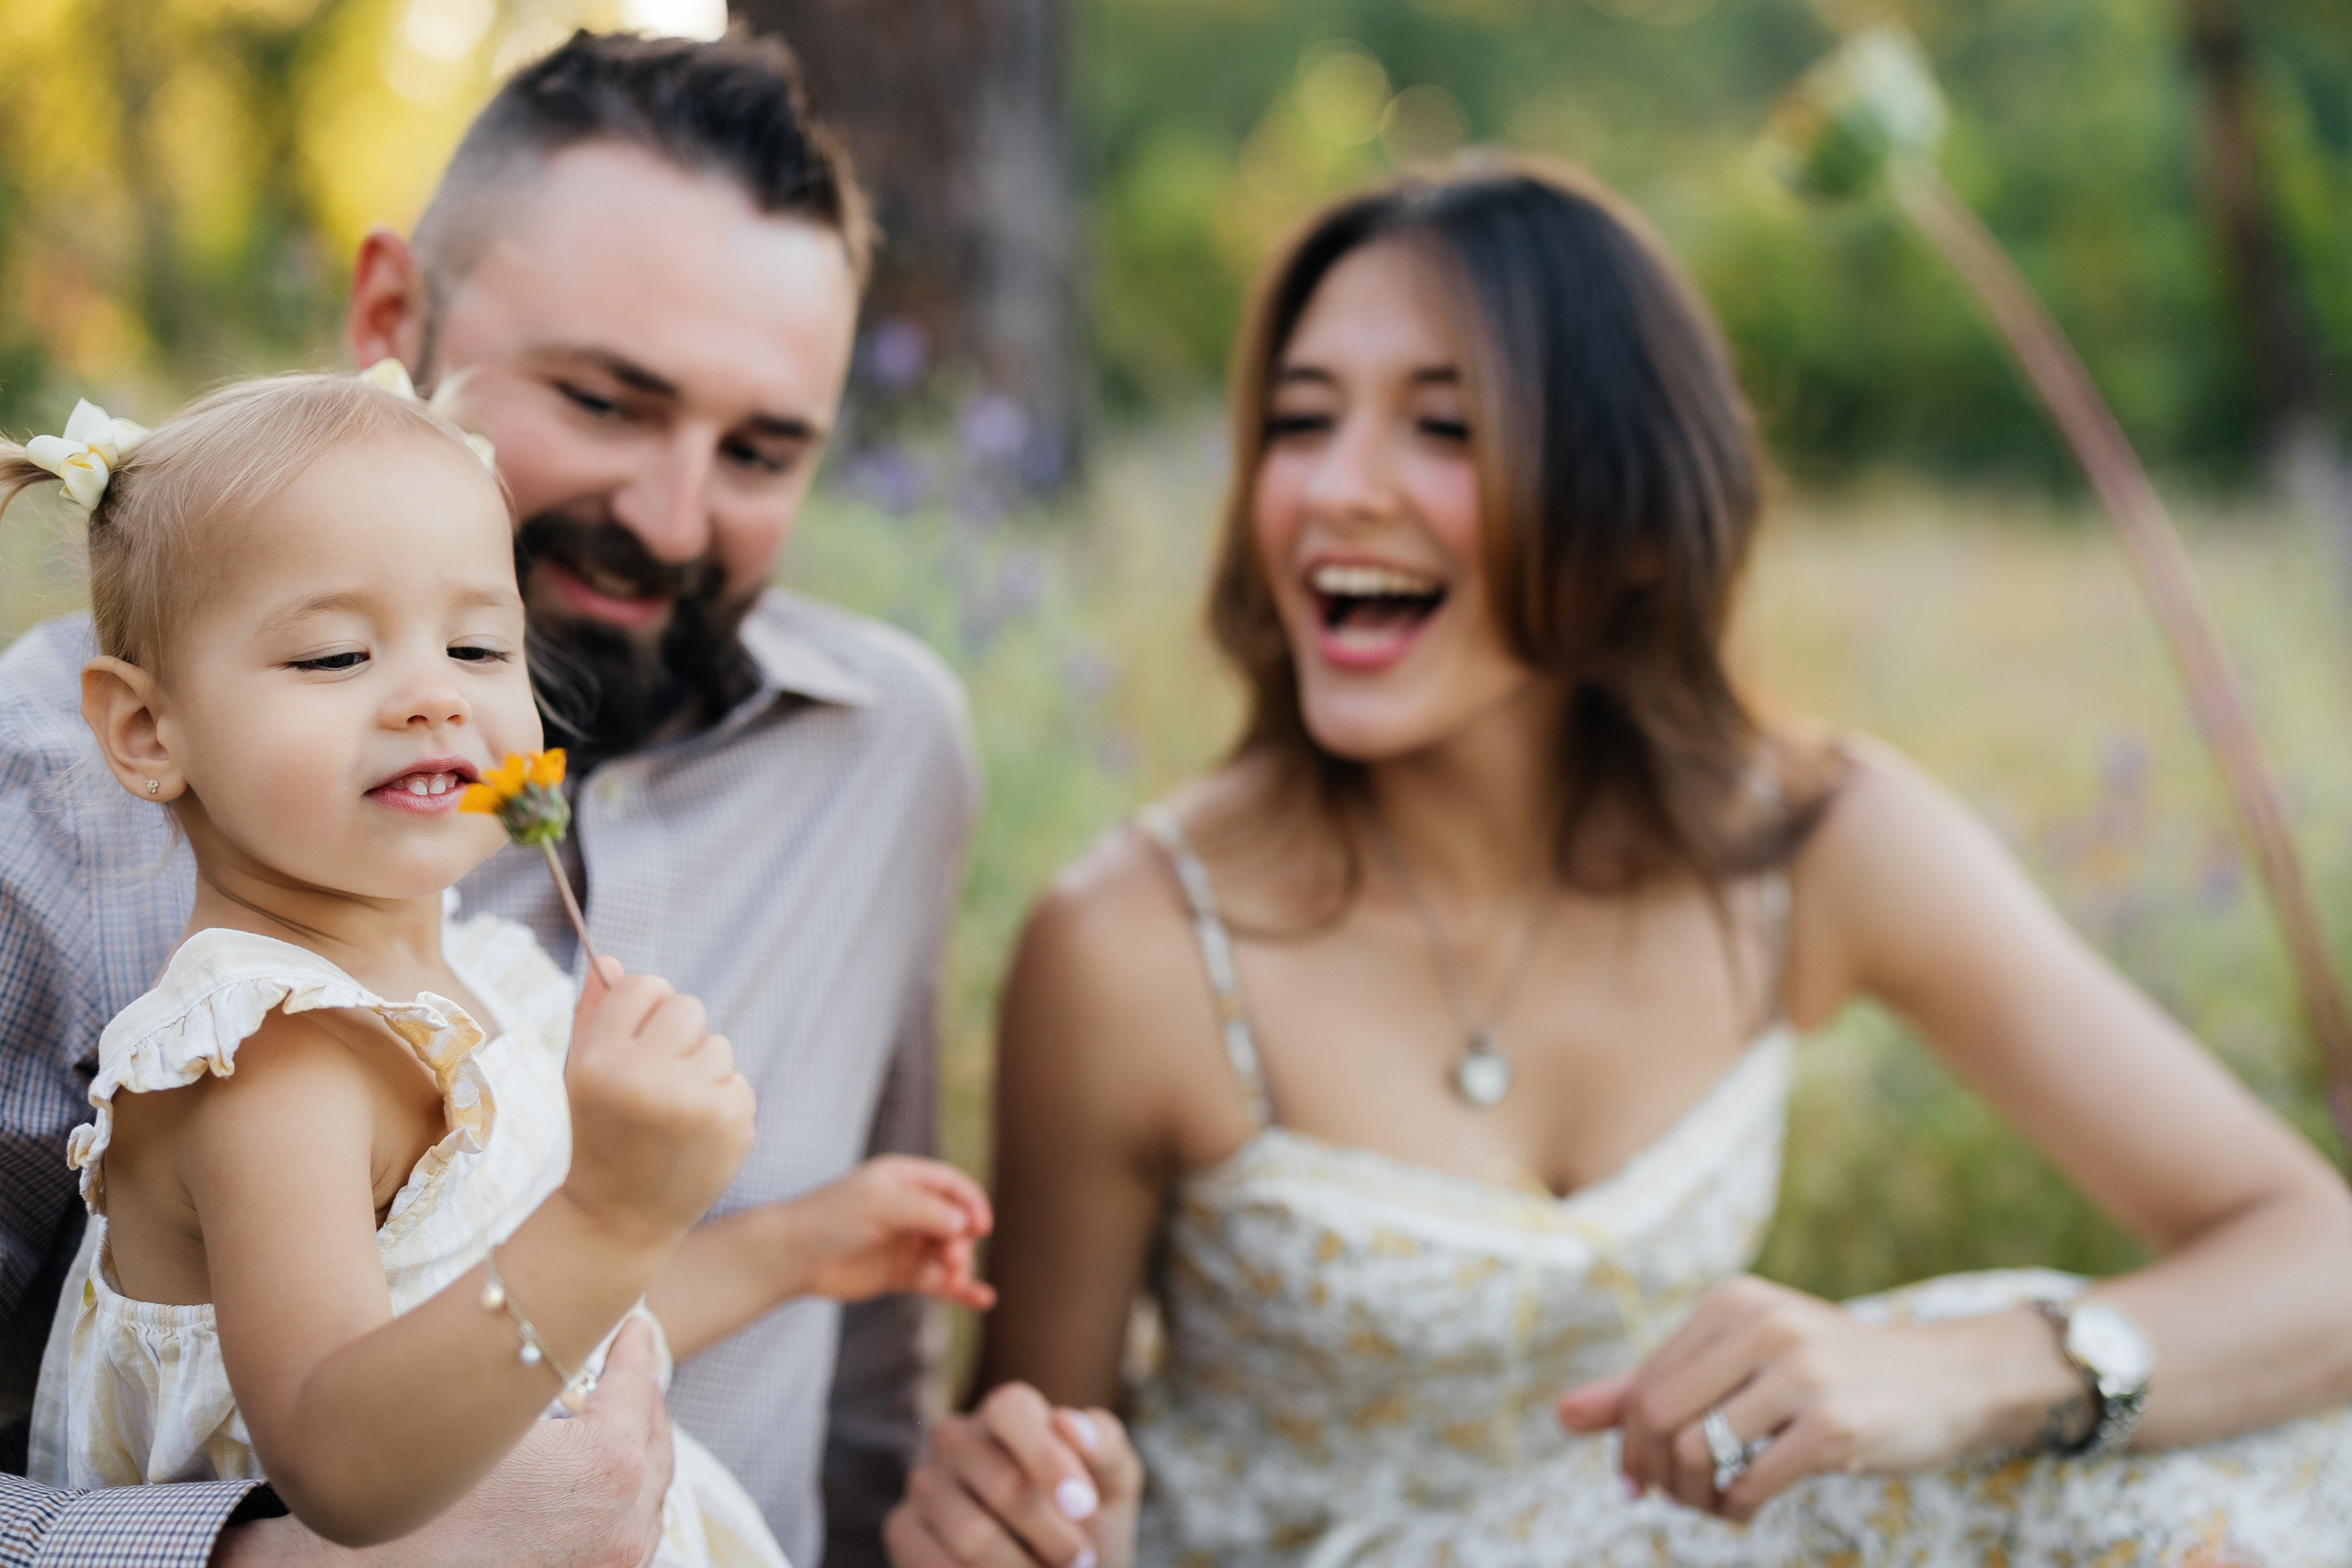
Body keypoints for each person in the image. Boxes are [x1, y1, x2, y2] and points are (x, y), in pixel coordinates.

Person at [885, 157, 2352, 1567]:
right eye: (1299, 421)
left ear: (1633, 509)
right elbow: (1024, 1493)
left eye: (1443, 428)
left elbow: (2320, 1263)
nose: (1335, 488)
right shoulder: (1133, 946)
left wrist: (1956, 1372)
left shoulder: (1813, 842)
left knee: (2149, 1451)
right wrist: (1035, 1518)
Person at [0, 29, 978, 1568]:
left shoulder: (486, 973)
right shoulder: (261, 1046)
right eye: (605, 401)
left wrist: (794, 1246)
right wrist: (609, 1213)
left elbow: (561, 1323)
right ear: (143, 731)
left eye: (476, 642)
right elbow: (348, 1441)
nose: (668, 515)